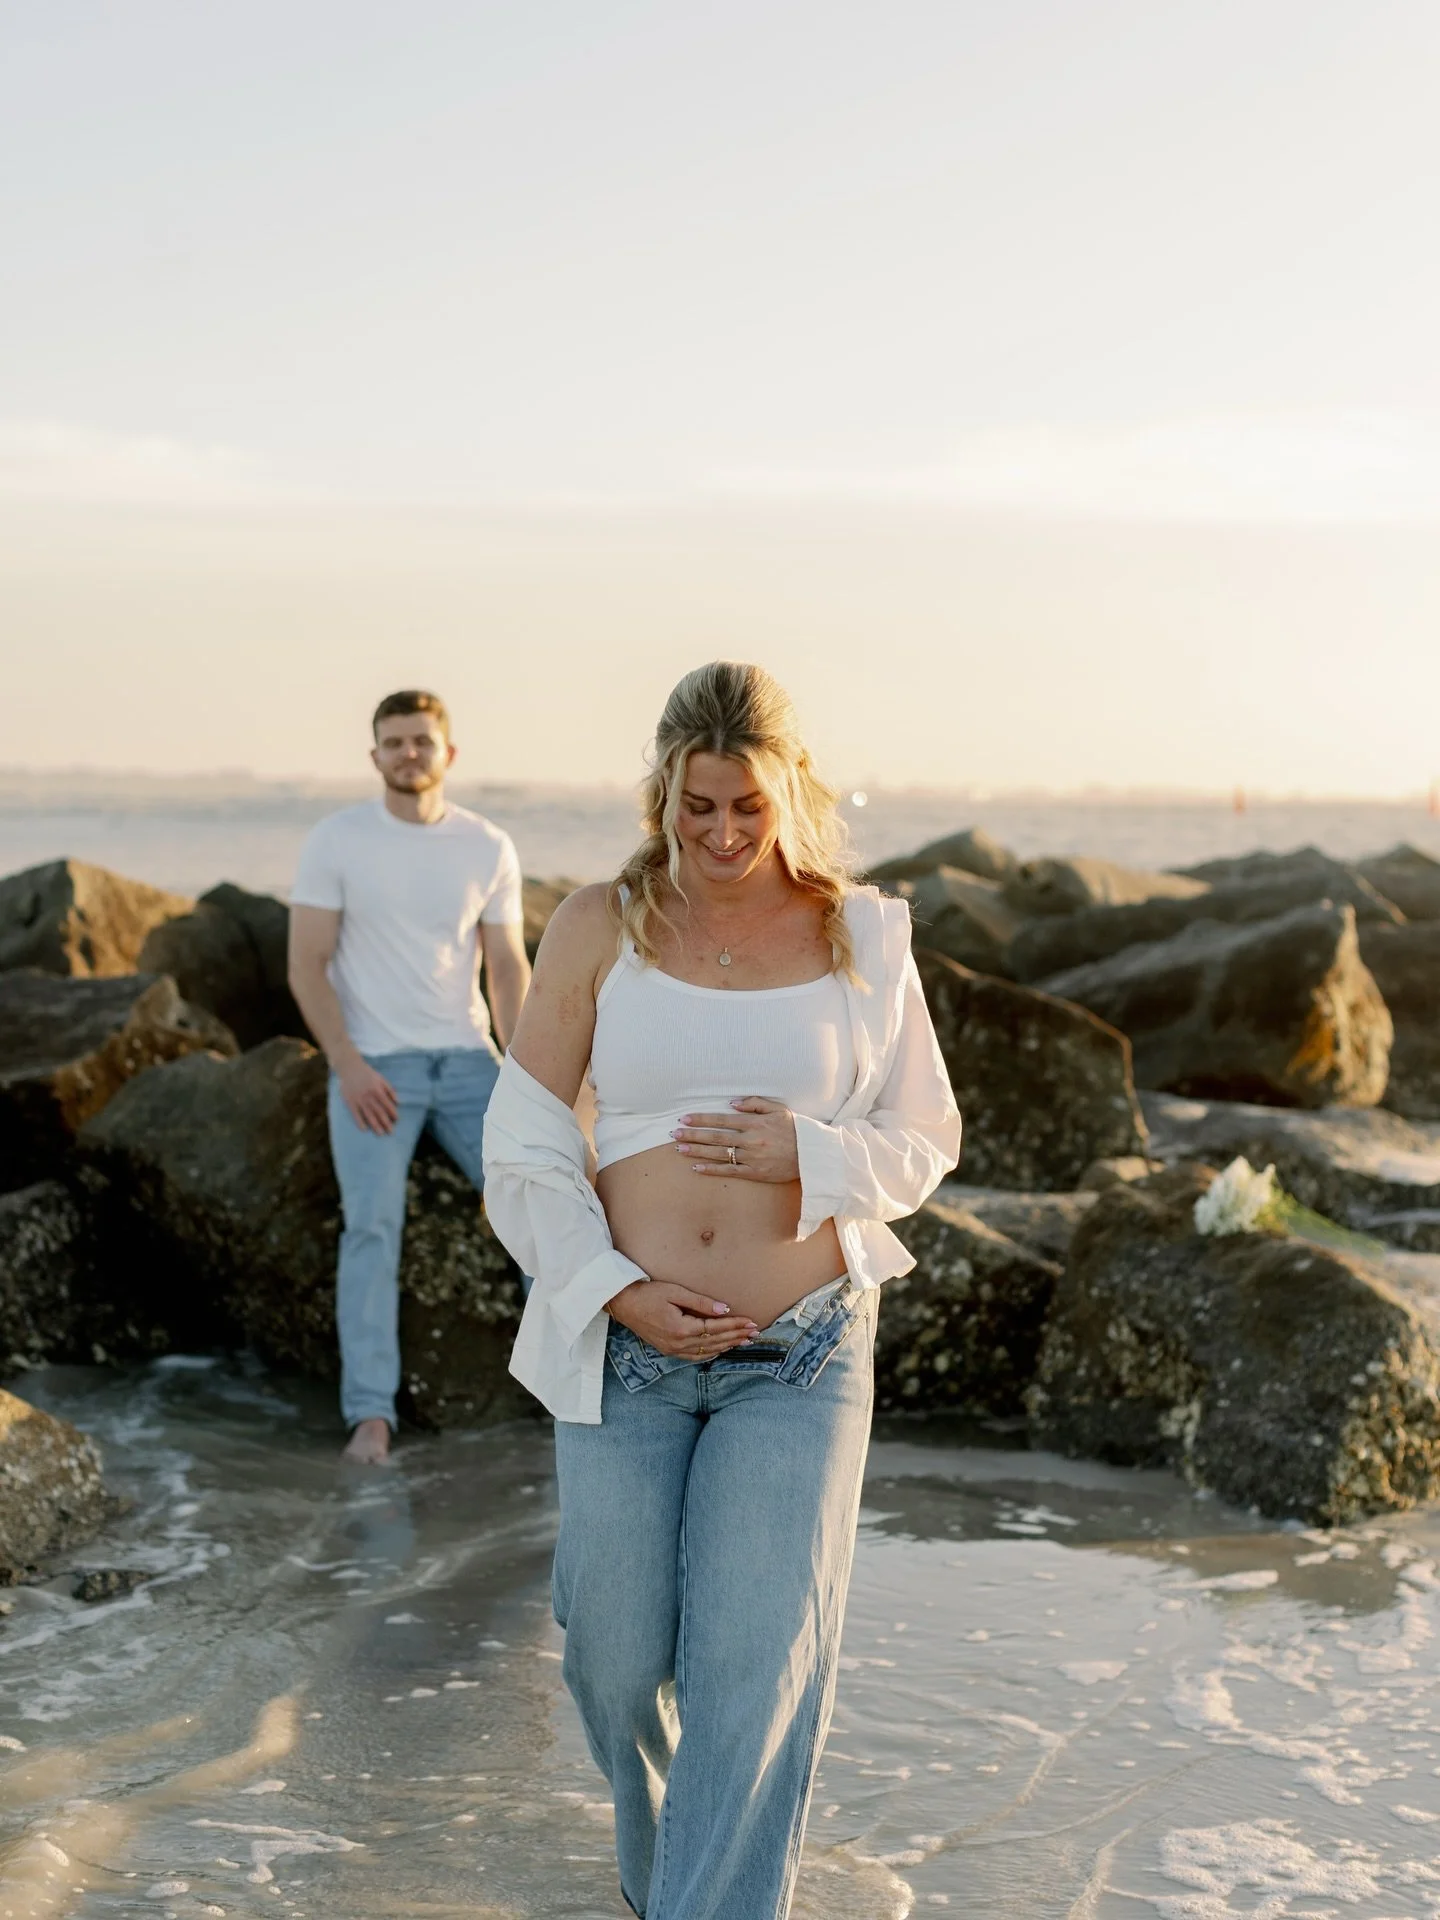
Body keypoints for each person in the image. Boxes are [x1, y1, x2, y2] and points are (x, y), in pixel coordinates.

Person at [482, 662, 960, 1920]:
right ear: (663, 793)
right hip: (626, 1349)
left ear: (790, 790)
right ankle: (666, 1874)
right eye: (698, 807)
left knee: (753, 1674)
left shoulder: (861, 933)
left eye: (748, 805)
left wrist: (808, 1155)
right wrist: (611, 1287)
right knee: (616, 1664)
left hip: (800, 1355)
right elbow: (523, 1143)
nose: (724, 834)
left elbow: (924, 1140)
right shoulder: (599, 922)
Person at [288, 689, 531, 1464]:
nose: (408, 754)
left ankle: (581, 1396)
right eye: (394, 742)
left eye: (422, 741)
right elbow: (306, 965)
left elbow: (507, 969)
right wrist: (349, 1066)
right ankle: (371, 1416)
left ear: (448, 753)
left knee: (547, 1206)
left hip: (468, 1061)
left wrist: (529, 1081)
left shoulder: (487, 845)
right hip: (375, 1068)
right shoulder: (337, 841)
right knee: (371, 1230)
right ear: (374, 756)